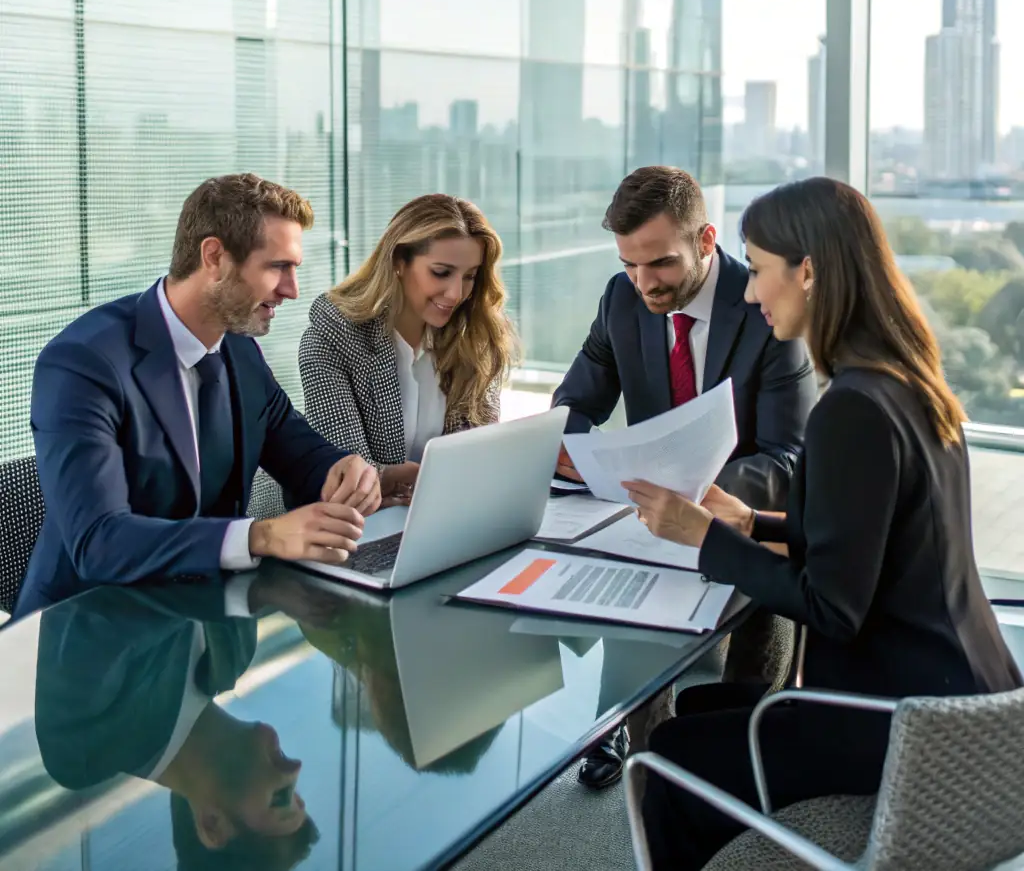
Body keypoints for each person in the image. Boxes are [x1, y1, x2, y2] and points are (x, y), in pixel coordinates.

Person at [624, 177, 1022, 871]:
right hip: (972, 698)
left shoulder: (851, 410)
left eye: (760, 269)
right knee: (699, 709)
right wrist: (752, 519)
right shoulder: (905, 379)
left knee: (665, 757)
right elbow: (870, 533)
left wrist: (704, 537)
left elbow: (830, 607)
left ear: (806, 270)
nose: (749, 292)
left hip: (902, 723)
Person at [556, 165, 817, 789]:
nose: (644, 283)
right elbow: (578, 401)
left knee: (760, 618)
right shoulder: (621, 299)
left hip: (744, 513)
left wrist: (696, 500)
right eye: (629, 265)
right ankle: (637, 743)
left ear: (705, 240)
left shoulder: (766, 303)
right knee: (621, 576)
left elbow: (787, 460)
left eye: (661, 265)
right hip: (650, 514)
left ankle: (745, 751)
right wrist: (559, 445)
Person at [15, 174, 380, 619]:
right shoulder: (83, 363)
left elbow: (299, 453)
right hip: (87, 640)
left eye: (294, 269)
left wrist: (346, 471)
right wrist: (259, 537)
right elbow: (99, 541)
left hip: (203, 630)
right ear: (214, 257)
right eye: (276, 267)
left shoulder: (239, 349)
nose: (291, 290)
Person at [35, 582, 319, 870]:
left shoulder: (84, 749)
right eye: (296, 794)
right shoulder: (234, 655)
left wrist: (247, 590)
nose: (294, 769)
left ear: (213, 824)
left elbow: (105, 588)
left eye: (280, 799)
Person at [298, 194, 518, 506]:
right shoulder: (333, 338)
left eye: (469, 276)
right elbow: (343, 473)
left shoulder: (474, 339)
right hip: (351, 526)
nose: (456, 294)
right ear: (399, 262)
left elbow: (477, 456)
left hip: (441, 516)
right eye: (441, 272)